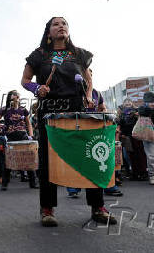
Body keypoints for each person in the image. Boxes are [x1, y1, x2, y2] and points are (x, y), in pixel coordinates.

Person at [21, 17, 116, 227]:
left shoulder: (79, 54)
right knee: (48, 161)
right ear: (48, 32)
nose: (61, 26)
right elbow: (25, 80)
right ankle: (47, 209)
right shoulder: (39, 55)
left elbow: (89, 80)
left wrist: (89, 95)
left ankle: (98, 207)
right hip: (50, 113)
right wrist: (37, 89)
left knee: (89, 156)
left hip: (78, 110)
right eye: (56, 24)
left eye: (64, 23)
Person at [0, 90, 38, 190]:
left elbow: (29, 124)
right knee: (9, 159)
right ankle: (4, 184)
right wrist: (3, 126)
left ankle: (33, 183)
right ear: (10, 97)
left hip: (23, 136)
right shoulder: (4, 109)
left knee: (28, 158)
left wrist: (31, 135)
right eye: (15, 95)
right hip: (10, 136)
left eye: (17, 95)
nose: (17, 96)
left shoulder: (23, 109)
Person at [117, 98, 148, 181]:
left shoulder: (136, 111)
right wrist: (122, 134)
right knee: (131, 155)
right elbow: (119, 124)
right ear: (123, 104)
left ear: (132, 103)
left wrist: (137, 114)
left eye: (129, 102)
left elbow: (142, 120)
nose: (128, 104)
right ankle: (135, 173)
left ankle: (142, 173)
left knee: (140, 154)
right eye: (126, 103)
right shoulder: (121, 113)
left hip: (137, 136)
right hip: (127, 137)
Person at [138, 91, 154, 185]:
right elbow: (142, 112)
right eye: (148, 102)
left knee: (153, 156)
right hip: (148, 134)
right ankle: (153, 176)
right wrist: (149, 107)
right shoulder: (143, 108)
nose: (151, 103)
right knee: (152, 156)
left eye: (152, 101)